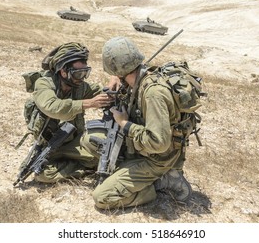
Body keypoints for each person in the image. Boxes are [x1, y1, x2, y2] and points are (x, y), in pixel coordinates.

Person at [81, 36, 192, 209]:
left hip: (157, 159)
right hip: (142, 149)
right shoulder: (138, 78)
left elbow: (159, 143)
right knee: (89, 140)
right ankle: (131, 172)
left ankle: (159, 182)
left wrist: (125, 123)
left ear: (117, 70)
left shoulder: (153, 94)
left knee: (102, 197)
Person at [28, 42, 117, 183]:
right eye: (78, 73)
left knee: (104, 151)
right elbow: (52, 107)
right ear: (63, 71)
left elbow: (102, 92)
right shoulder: (44, 84)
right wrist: (89, 103)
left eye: (85, 73)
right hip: (52, 144)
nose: (82, 78)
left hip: (74, 140)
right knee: (43, 174)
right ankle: (87, 168)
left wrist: (114, 83)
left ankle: (87, 165)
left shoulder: (79, 85)